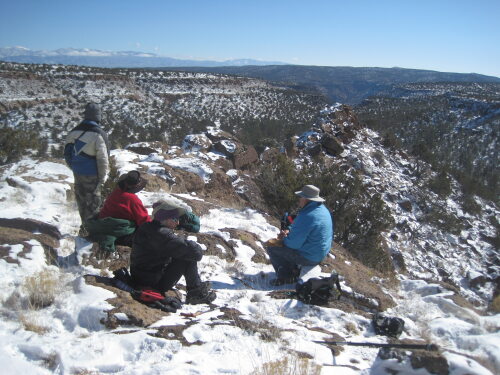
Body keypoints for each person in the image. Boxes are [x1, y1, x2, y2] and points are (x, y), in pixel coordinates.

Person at [130, 200, 216, 304]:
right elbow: (196, 253)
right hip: (152, 283)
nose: (178, 222)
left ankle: (196, 287)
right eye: (175, 219)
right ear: (164, 218)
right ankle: (195, 292)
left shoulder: (147, 227)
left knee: (182, 251)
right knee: (187, 256)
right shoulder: (162, 234)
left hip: (140, 276)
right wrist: (190, 244)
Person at [266, 185, 334, 286]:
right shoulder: (321, 210)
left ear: (307, 199)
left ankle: (286, 277)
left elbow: (293, 244)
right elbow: (300, 226)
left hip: (310, 257)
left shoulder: (308, 215)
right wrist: (289, 231)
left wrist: (283, 239)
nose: (299, 200)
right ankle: (294, 268)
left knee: (272, 248)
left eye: (301, 197)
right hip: (319, 253)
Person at [64, 103, 109, 236]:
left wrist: (75, 167)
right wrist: (103, 177)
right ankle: (92, 234)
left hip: (78, 173)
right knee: (94, 204)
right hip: (93, 174)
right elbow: (103, 159)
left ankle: (84, 228)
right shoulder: (98, 134)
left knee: (81, 201)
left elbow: (67, 154)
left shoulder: (73, 132)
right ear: (98, 117)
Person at [87, 170, 150, 251]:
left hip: (104, 227)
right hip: (120, 232)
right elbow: (144, 220)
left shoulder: (115, 193)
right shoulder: (132, 199)